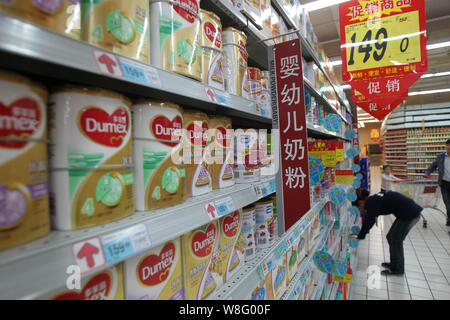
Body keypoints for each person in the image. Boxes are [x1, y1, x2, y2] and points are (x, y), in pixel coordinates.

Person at [355, 190, 422, 276]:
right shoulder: (372, 199)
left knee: (396, 240)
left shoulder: (371, 203)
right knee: (391, 237)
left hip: (410, 214)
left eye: (359, 207)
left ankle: (398, 269)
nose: (360, 209)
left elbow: (369, 221)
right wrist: (362, 234)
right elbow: (370, 220)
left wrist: (360, 236)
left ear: (361, 202)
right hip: (407, 212)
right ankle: (394, 263)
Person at [424, 139, 450, 227]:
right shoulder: (441, 156)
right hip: (444, 183)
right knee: (447, 203)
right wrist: (428, 173)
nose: (449, 147)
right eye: (448, 145)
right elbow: (433, 165)